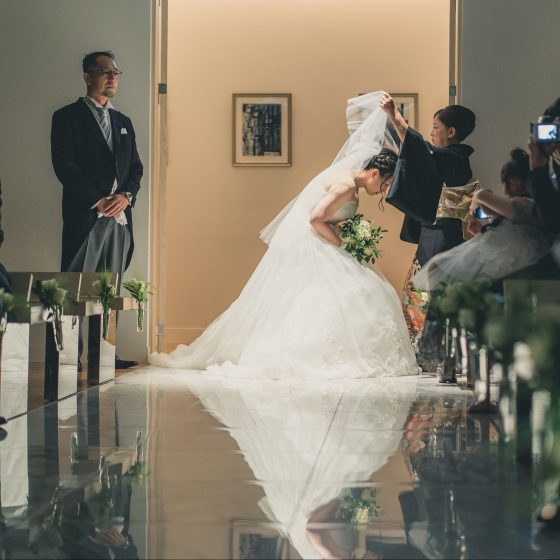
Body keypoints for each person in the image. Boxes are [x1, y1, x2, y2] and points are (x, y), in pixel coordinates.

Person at [151, 92, 417, 378]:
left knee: (350, 294)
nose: (383, 192)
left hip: (321, 238)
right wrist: (342, 245)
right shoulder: (346, 186)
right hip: (316, 242)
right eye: (385, 185)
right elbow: (316, 219)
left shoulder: (351, 179)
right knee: (353, 292)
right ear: (375, 173)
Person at [51, 51, 143, 370]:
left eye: (116, 72)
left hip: (119, 218)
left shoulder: (124, 122)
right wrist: (98, 199)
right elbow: (65, 165)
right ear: (87, 76)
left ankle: (103, 354)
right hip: (86, 215)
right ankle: (69, 356)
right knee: (76, 287)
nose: (112, 77)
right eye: (105, 71)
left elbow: (135, 168)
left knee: (108, 288)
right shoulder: (66, 117)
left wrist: (126, 196)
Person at [379, 93, 476, 341]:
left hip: (441, 240)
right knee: (421, 297)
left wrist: (395, 115)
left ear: (451, 132)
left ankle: (429, 349)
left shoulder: (455, 159)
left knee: (427, 298)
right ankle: (426, 347)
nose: (431, 133)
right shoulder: (450, 159)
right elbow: (421, 154)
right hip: (435, 236)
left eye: (435, 127)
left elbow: (419, 149)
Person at [412, 149, 549, 291]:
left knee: (438, 272)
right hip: (488, 265)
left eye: (505, 184)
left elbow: (514, 233)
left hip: (495, 271)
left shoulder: (525, 206)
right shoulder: (518, 209)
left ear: (514, 184)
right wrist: (481, 231)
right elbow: (506, 239)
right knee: (437, 270)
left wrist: (479, 196)